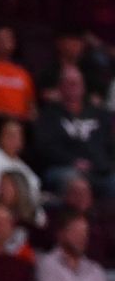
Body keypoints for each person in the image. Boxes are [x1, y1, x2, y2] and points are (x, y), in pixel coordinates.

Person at [33, 65, 115, 196]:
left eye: (77, 83)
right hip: (63, 168)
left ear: (83, 86)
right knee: (77, 184)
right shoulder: (49, 115)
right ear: (60, 87)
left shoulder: (99, 114)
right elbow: (45, 148)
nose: (74, 87)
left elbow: (109, 145)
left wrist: (102, 164)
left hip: (98, 169)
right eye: (69, 83)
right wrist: (72, 161)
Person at [35, 214, 111, 281]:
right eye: (76, 232)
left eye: (84, 233)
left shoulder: (94, 269)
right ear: (61, 234)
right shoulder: (48, 265)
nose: (82, 237)